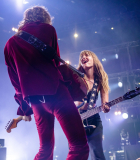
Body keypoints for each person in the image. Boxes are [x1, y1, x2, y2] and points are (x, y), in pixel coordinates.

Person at [4, 6, 89, 160]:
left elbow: (15, 82)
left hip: (35, 101)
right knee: (79, 145)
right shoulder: (48, 30)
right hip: (56, 94)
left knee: (45, 149)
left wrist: (24, 110)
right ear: (45, 18)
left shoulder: (9, 44)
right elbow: (55, 63)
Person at [75, 50, 110, 160]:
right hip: (77, 118)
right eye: (81, 56)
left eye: (87, 55)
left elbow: (105, 103)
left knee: (97, 153)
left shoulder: (101, 79)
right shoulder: (75, 77)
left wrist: (106, 107)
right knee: (78, 153)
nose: (83, 57)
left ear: (94, 59)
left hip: (93, 118)